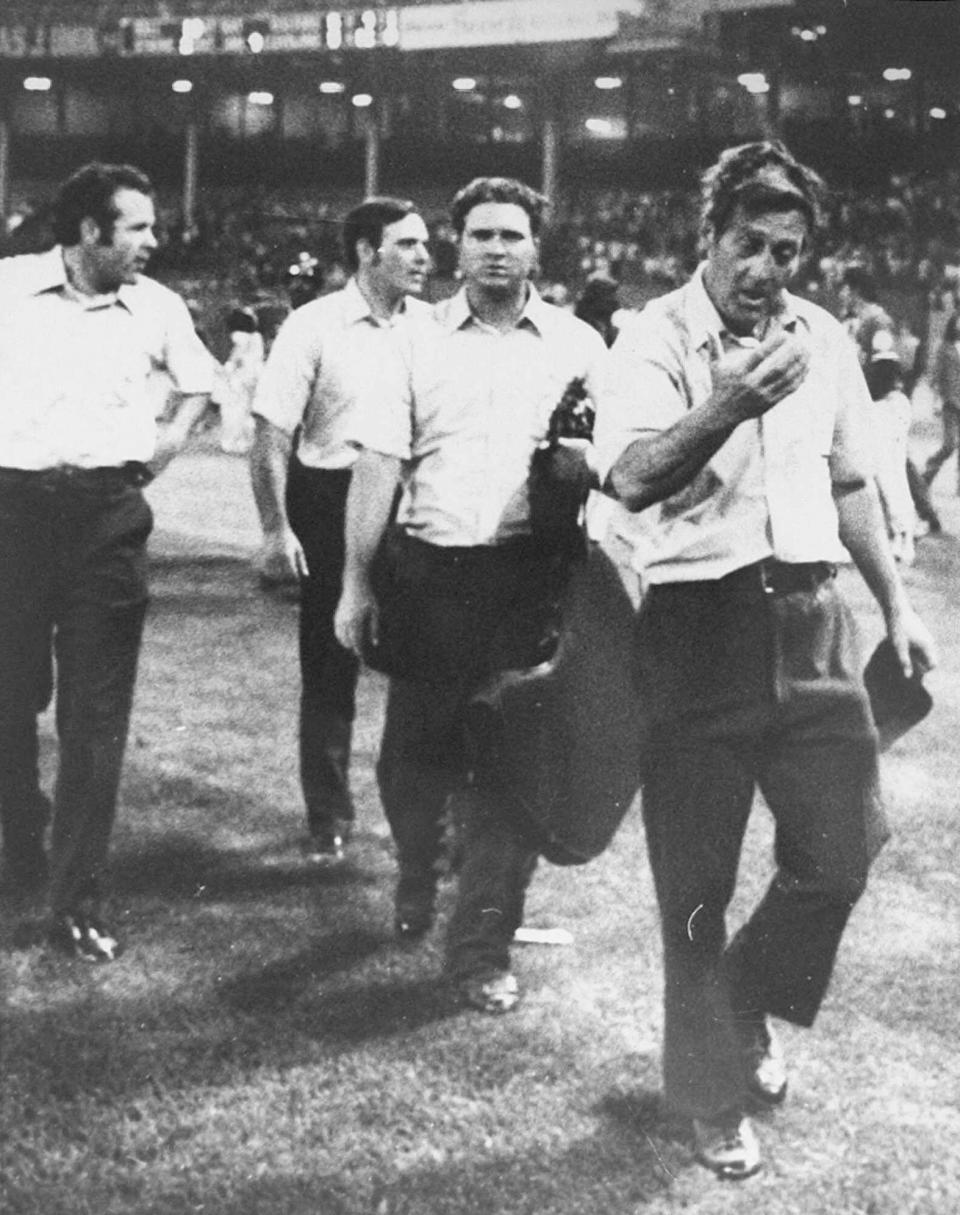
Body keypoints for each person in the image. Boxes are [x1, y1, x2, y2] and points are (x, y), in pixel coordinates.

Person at [594, 142, 937, 1180]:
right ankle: (705, 1100)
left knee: (843, 851)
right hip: (699, 628)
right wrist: (731, 400)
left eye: (786, 250)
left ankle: (738, 1009)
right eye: (748, 245)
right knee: (694, 885)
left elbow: (848, 487)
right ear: (708, 237)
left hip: (813, 619)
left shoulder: (823, 336)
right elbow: (633, 476)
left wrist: (897, 603)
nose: (766, 269)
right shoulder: (652, 337)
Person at [334, 176, 607, 1012]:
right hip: (430, 574)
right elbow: (380, 463)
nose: (496, 248)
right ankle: (419, 868)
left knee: (509, 766)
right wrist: (354, 580)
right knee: (408, 759)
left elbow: (610, 464)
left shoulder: (578, 345)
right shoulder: (413, 344)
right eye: (481, 234)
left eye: (512, 235)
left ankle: (480, 947)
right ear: (457, 244)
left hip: (529, 581)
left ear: (537, 248)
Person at [0, 162, 214, 959]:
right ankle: (19, 840)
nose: (155, 242)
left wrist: (155, 454)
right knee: (8, 699)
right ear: (90, 232)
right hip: (11, 516)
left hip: (107, 521)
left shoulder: (157, 306)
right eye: (139, 228)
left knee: (95, 720)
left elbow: (200, 385)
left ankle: (75, 896)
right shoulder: (9, 289)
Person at [251, 197, 431, 864]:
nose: (424, 257)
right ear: (365, 250)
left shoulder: (435, 329)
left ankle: (420, 817)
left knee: (422, 670)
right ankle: (327, 815)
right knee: (331, 665)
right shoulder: (314, 326)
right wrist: (276, 528)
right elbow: (271, 433)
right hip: (329, 499)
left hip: (414, 508)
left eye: (425, 244)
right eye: (408, 244)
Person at [865, 333, 916, 564]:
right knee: (898, 484)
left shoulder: (876, 374)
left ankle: (900, 537)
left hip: (884, 446)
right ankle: (903, 539)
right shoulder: (900, 399)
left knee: (889, 487)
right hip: (892, 446)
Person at [923, 310, 960, 494]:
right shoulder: (944, 348)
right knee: (949, 445)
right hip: (950, 402)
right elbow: (936, 376)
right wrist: (936, 400)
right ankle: (927, 473)